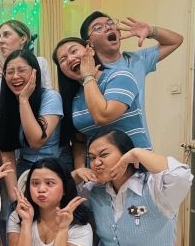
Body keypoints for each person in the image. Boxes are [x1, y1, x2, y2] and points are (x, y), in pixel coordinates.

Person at [79, 12, 183, 144]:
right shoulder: (89, 71)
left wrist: (150, 30)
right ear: (89, 43)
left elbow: (175, 41)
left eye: (110, 23)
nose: (108, 27)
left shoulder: (136, 60)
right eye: (98, 28)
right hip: (102, 154)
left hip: (138, 147)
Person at [53, 37, 149, 169]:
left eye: (74, 51)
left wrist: (88, 76)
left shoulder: (119, 75)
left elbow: (103, 116)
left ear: (90, 50)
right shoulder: (72, 97)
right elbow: (79, 141)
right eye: (63, 59)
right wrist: (81, 174)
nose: (70, 59)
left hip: (135, 166)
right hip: (99, 172)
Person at [0, 49, 63, 202]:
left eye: (21, 70)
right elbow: (7, 153)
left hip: (55, 166)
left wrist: (24, 100)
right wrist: (15, 197)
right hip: (24, 168)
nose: (15, 76)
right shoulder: (6, 105)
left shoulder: (50, 97)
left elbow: (36, 141)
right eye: (9, 72)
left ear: (35, 73)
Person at [0, 20, 51, 110]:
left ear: (23, 39)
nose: (0, 41)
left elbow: (47, 100)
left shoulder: (40, 63)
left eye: (6, 35)